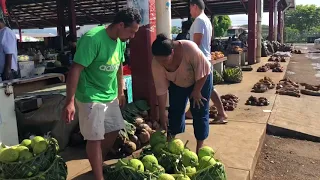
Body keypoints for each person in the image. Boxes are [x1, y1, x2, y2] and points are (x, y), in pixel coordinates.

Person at [61, 8, 141, 180]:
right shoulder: (92, 39)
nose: (132, 36)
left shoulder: (121, 40)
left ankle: (97, 162)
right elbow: (75, 69)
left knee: (114, 130)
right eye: (131, 31)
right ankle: (99, 176)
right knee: (95, 138)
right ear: (120, 25)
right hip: (90, 95)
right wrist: (69, 101)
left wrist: (120, 91)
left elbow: (119, 65)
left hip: (109, 94)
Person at [152, 34, 212, 153]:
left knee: (199, 110)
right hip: (177, 82)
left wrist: (196, 91)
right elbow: (161, 90)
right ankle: (171, 141)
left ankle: (199, 146)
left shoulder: (189, 49)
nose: (163, 64)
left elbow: (204, 70)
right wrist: (162, 112)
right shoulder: (156, 63)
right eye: (160, 61)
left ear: (172, 52)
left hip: (201, 79)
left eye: (165, 60)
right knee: (175, 110)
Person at [186, 0, 228, 124]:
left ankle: (220, 114)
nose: (190, 12)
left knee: (197, 88)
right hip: (205, 59)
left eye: (190, 8)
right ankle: (192, 112)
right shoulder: (205, 20)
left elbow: (196, 43)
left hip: (199, 61)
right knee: (209, 89)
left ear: (194, 6)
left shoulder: (199, 21)